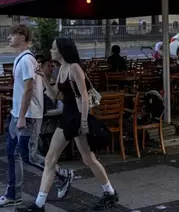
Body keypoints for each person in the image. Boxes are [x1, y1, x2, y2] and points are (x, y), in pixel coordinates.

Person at [19, 37, 118, 211]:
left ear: (62, 51)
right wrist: (42, 77)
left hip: (75, 118)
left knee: (50, 159)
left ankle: (39, 204)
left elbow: (85, 97)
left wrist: (85, 121)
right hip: (69, 116)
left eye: (53, 48)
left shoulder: (74, 68)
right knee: (88, 159)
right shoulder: (61, 69)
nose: (50, 50)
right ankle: (109, 192)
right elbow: (56, 95)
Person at [0, 25, 73, 208]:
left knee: (29, 155)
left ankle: (63, 174)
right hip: (19, 115)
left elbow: (29, 89)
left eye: (12, 35)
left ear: (22, 37)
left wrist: (21, 117)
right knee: (13, 154)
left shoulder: (27, 60)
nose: (8, 38)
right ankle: (13, 194)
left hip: (27, 116)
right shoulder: (22, 59)